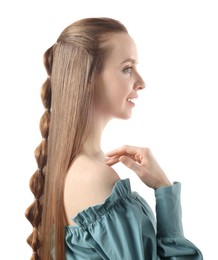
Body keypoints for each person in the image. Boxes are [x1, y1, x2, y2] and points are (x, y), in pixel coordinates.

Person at [25, 17, 203, 260]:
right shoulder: (93, 176)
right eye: (127, 68)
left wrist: (164, 188)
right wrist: (164, 191)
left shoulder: (74, 166)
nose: (141, 82)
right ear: (87, 77)